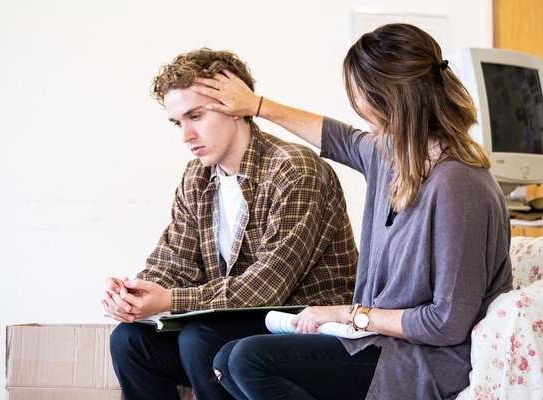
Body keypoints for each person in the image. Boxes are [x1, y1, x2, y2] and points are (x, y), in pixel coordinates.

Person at [190, 24, 514, 399]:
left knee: (248, 359)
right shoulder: (394, 156)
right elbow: (337, 138)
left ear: (386, 98)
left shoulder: (458, 184)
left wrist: (347, 313)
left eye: (357, 93)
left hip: (423, 359)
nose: (355, 105)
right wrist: (256, 105)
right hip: (377, 342)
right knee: (226, 359)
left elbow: (447, 323)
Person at [101, 47, 358, 400]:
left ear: (235, 107)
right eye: (178, 122)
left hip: (305, 330)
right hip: (234, 326)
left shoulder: (294, 169)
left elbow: (266, 289)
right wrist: (132, 295)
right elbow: (174, 261)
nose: (185, 135)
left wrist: (170, 300)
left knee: (200, 336)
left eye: (195, 116)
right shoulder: (197, 176)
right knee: (131, 340)